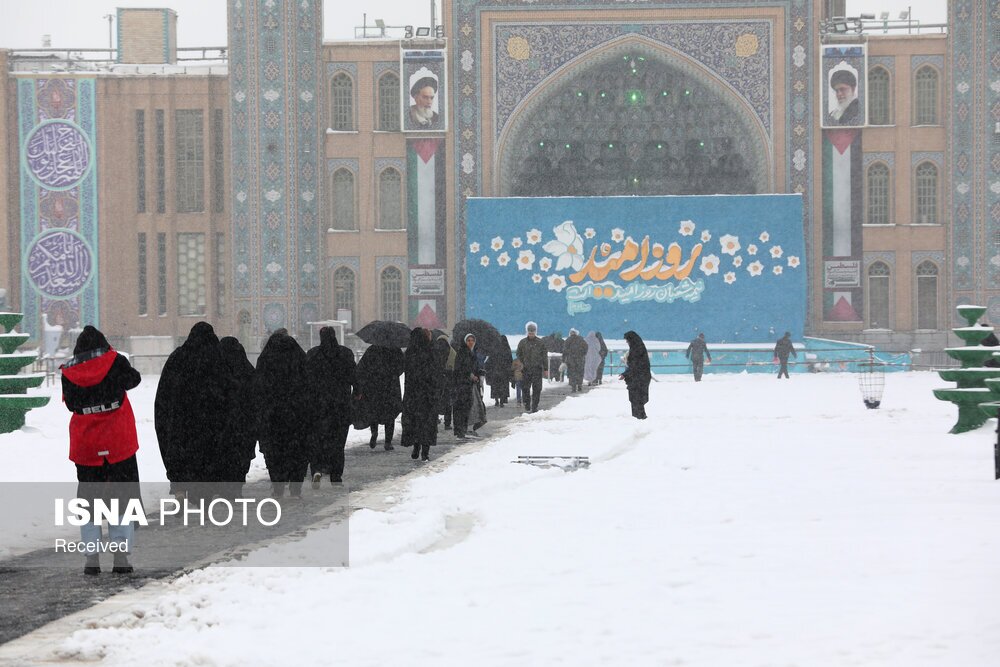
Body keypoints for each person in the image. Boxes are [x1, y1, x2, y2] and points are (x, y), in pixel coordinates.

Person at [60, 325, 142, 575]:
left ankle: (91, 558)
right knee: (121, 499)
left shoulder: (68, 371)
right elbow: (135, 379)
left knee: (88, 499)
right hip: (118, 440)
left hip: (86, 443)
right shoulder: (114, 361)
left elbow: (71, 404)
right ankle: (120, 558)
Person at [154, 322, 234, 502]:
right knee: (205, 458)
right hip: (208, 421)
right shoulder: (216, 358)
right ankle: (202, 495)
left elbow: (164, 393)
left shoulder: (177, 357)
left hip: (180, 421)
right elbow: (227, 389)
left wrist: (166, 417)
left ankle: (180, 489)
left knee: (180, 456)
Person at [253, 330, 311, 498]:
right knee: (298, 452)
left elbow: (258, 389)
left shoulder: (265, 360)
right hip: (297, 416)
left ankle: (278, 486)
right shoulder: (299, 359)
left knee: (275, 453)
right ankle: (295, 487)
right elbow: (309, 386)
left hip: (273, 418)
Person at [306, 326, 357, 485]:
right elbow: (354, 376)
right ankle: (336, 474)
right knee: (338, 441)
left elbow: (306, 379)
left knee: (318, 439)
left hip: (318, 405)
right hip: (340, 405)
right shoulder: (345, 353)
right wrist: (357, 392)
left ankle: (317, 469)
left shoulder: (313, 354)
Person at [217, 336, 257, 498]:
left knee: (224, 455)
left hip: (223, 424)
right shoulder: (247, 370)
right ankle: (236, 486)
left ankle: (225, 486)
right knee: (241, 456)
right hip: (244, 423)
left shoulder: (217, 371)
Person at [356, 343, 405, 450]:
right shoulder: (395, 349)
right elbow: (402, 366)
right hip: (390, 386)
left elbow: (362, 367)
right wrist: (393, 373)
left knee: (374, 411)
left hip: (374, 386)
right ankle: (388, 442)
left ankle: (374, 433)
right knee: (390, 414)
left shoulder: (372, 349)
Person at [402, 328, 440, 461]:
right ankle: (425, 451)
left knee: (415, 422)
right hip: (427, 394)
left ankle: (416, 446)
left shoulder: (410, 352)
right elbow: (435, 373)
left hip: (412, 395)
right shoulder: (430, 351)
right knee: (427, 422)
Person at [452, 333, 484, 440]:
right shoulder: (462, 353)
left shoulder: (472, 353)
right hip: (461, 385)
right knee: (461, 408)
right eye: (468, 340)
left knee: (466, 408)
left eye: (472, 340)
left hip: (469, 385)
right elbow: (460, 368)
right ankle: (459, 431)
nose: (471, 342)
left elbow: (473, 367)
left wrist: (478, 373)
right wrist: (469, 375)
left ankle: (463, 430)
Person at [517, 321, 548, 413]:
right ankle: (527, 403)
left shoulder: (540, 343)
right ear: (527, 332)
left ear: (535, 332)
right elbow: (519, 355)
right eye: (530, 333)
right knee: (525, 388)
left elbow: (544, 356)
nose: (531, 334)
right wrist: (520, 366)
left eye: (533, 333)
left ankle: (534, 406)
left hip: (537, 369)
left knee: (537, 389)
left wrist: (546, 369)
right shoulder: (522, 343)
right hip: (525, 369)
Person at [620, 331, 651, 420]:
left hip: (639, 378)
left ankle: (639, 417)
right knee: (637, 399)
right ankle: (639, 417)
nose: (627, 342)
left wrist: (625, 374)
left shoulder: (636, 349)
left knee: (636, 399)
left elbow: (635, 365)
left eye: (627, 340)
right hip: (640, 377)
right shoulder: (638, 347)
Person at [434, 332, 456, 429]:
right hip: (448, 380)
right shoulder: (452, 352)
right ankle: (447, 423)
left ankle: (435, 420)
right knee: (448, 402)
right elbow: (456, 367)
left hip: (437, 380)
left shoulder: (434, 350)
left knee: (436, 401)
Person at [485, 335, 513, 406]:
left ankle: (496, 399)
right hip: (504, 372)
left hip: (495, 372)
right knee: (503, 386)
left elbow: (489, 361)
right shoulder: (506, 349)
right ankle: (502, 400)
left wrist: (489, 370)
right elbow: (510, 361)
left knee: (495, 387)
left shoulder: (494, 349)